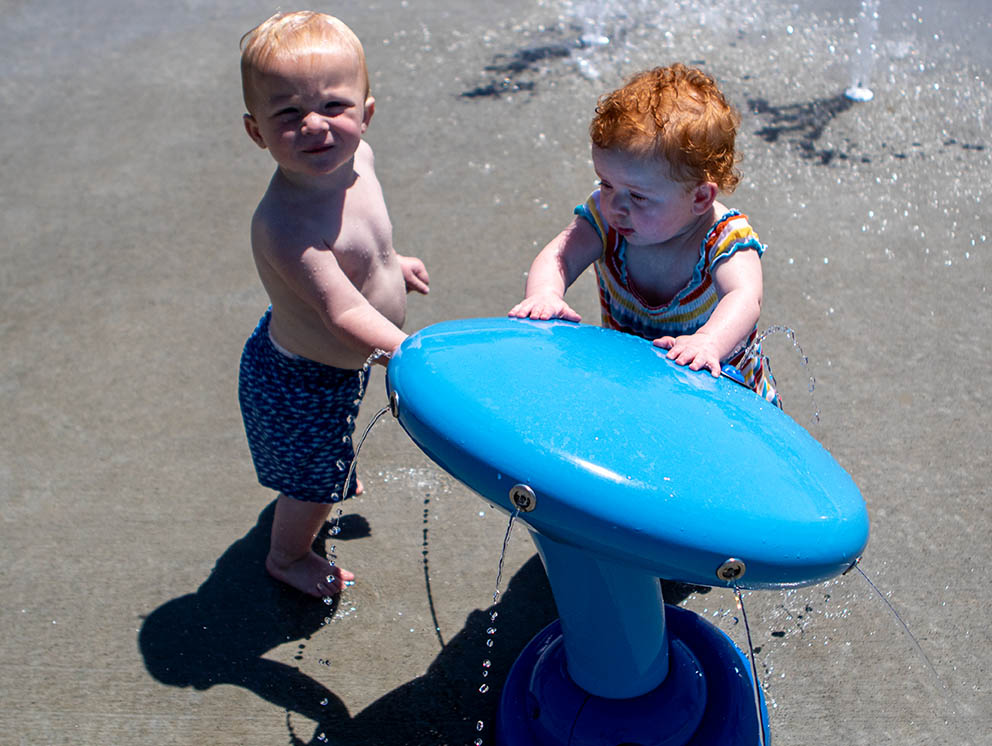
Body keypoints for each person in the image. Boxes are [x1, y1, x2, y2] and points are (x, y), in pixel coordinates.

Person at [237, 11, 430, 598]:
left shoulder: (358, 164)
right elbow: (342, 313)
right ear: (257, 132)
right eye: (288, 113)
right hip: (302, 381)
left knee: (323, 462)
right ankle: (286, 555)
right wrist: (409, 351)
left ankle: (324, 470)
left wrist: (392, 265)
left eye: (335, 107)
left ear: (366, 115)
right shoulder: (286, 225)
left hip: (338, 368)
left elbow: (366, 241)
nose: (315, 126)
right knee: (311, 488)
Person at [509, 64, 779, 404]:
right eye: (605, 183)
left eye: (637, 196)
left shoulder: (725, 240)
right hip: (637, 388)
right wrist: (545, 294)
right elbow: (559, 255)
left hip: (726, 401)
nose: (616, 205)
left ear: (699, 197)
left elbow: (744, 297)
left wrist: (708, 341)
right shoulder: (607, 221)